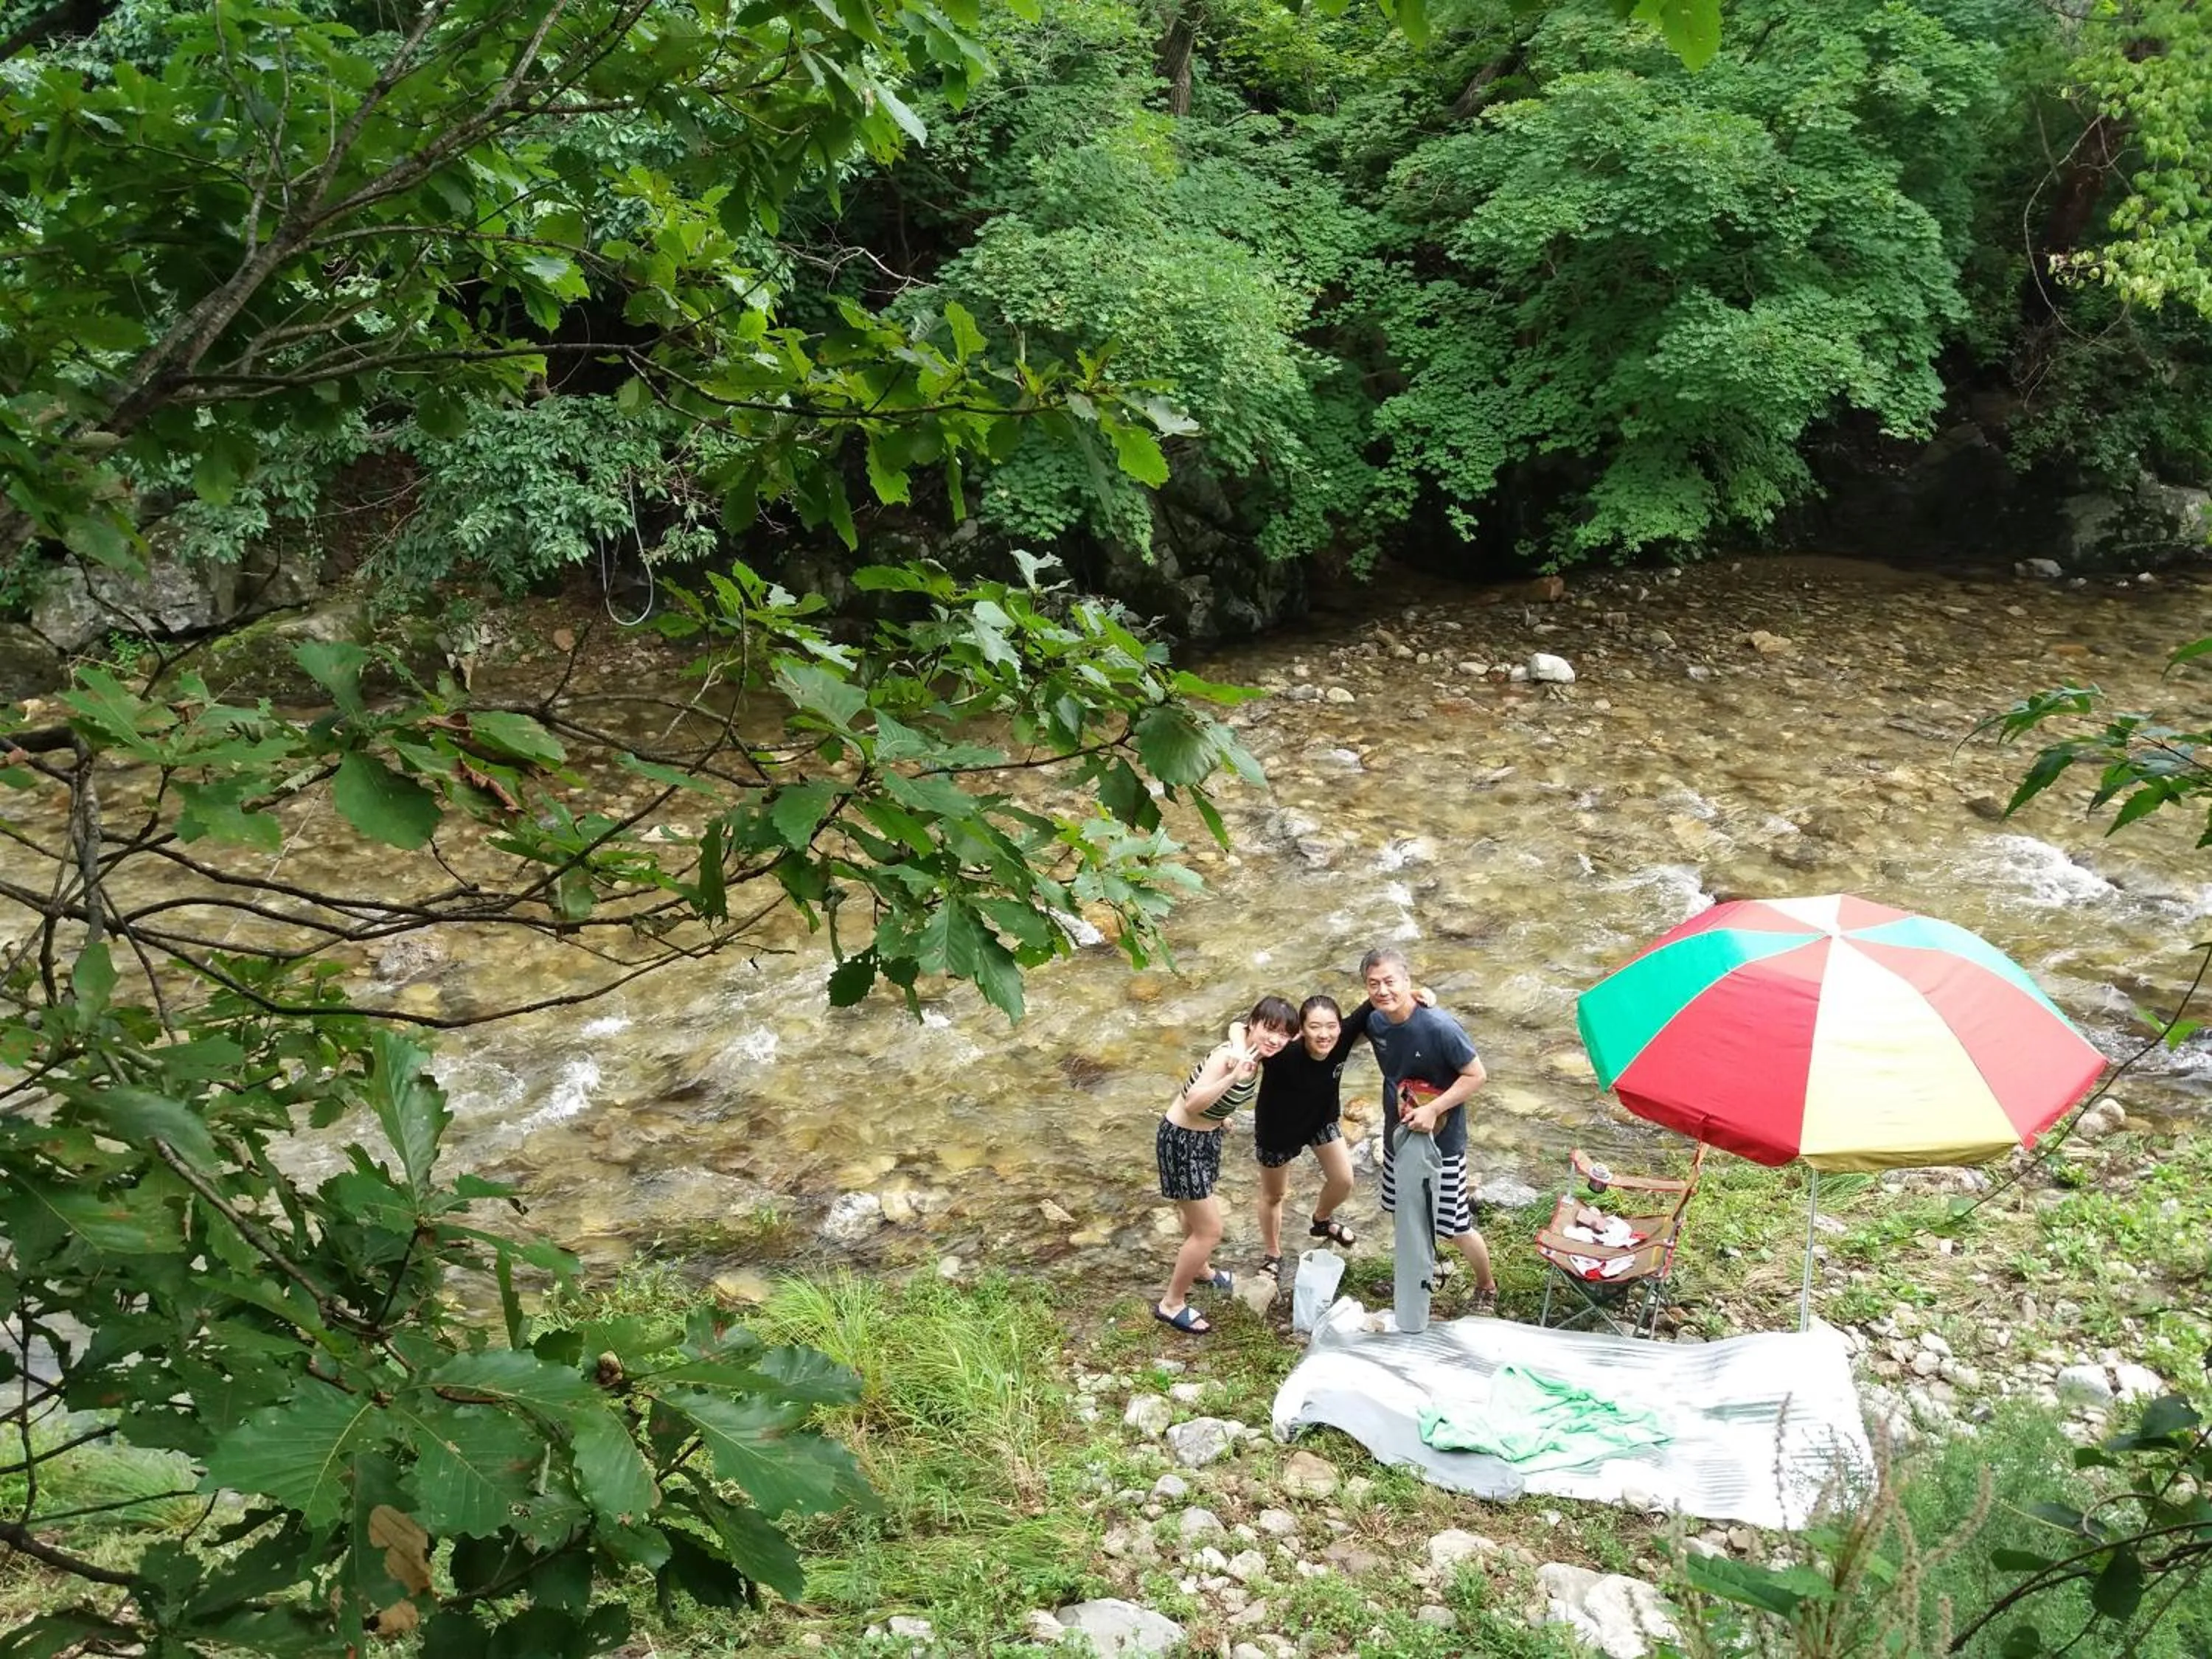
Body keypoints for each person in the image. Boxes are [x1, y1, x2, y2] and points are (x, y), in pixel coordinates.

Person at [1240, 985, 1436, 1285]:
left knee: (1343, 1180)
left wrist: (1414, 991)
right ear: (1300, 1030)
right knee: (1274, 1195)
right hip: (1278, 1130)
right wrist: (1237, 1052)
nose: (1324, 1035)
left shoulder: (1342, 1037)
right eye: (1314, 1027)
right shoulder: (1282, 1052)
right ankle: (1272, 1254)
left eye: (1331, 1026)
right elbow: (1243, 1029)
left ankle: (1321, 1220)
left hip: (1321, 1121)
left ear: (1339, 1026)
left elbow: (1376, 998)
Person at [1360, 945, 1498, 1312]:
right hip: (1398, 1139)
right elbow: (1333, 1036)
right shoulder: (1375, 1022)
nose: (1383, 991)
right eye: (1373, 984)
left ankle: (1486, 1285)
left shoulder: (1440, 1027)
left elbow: (1477, 1075)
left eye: (1390, 981)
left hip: (1442, 1146)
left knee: (1454, 1225)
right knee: (1402, 1213)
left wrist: (1435, 1108)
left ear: (1408, 981)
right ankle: (1413, 1273)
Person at [1154, 996, 1299, 1335]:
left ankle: (1201, 1270)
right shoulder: (1229, 1058)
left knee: (1194, 1216)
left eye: (1283, 1034)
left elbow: (1236, 1027)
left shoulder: (1251, 1050)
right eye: (1269, 1029)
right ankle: (1171, 1303)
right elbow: (1192, 1103)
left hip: (1205, 1139)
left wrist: (1221, 1118)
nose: (1275, 1039)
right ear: (1254, 1025)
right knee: (1210, 1230)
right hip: (1182, 1143)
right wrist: (1232, 1077)